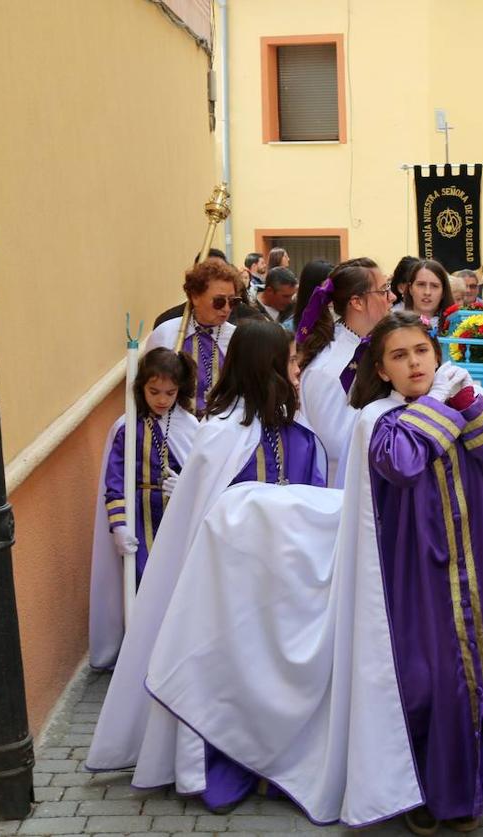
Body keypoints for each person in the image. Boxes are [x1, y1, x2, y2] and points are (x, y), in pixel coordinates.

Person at [86, 320, 328, 813]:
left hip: (285, 583)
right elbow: (204, 520)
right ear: (267, 367)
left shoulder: (299, 430)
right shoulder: (220, 435)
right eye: (289, 360)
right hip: (229, 591)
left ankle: (279, 756)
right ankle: (223, 760)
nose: (297, 369)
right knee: (233, 675)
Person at [345, 311, 483, 834]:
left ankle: (471, 791)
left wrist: (467, 402)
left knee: (477, 680)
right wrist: (437, 405)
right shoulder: (378, 420)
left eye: (421, 351)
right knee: (426, 682)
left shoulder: (463, 397)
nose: (414, 363)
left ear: (436, 353)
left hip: (477, 568)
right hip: (414, 576)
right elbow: (402, 463)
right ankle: (422, 791)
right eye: (399, 356)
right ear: (382, 370)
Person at [88, 348, 199, 670]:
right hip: (141, 519)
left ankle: (175, 651)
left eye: (169, 393)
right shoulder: (128, 427)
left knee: (178, 583)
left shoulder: (190, 425)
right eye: (154, 392)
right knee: (143, 583)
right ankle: (142, 654)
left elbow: (202, 472)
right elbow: (116, 479)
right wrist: (119, 525)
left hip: (177, 520)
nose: (162, 400)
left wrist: (187, 486)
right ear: (141, 388)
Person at [297, 257, 393, 488]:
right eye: (383, 291)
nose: (392, 297)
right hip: (340, 491)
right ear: (357, 302)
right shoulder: (329, 368)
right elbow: (334, 443)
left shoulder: (367, 346)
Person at [147, 260, 243, 416]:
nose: (226, 308)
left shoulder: (237, 338)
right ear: (195, 297)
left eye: (233, 301)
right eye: (219, 301)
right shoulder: (166, 333)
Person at [403, 259, 455, 328]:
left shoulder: (457, 328)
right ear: (410, 289)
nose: (427, 292)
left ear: (443, 292)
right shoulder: (395, 327)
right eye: (421, 284)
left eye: (434, 286)